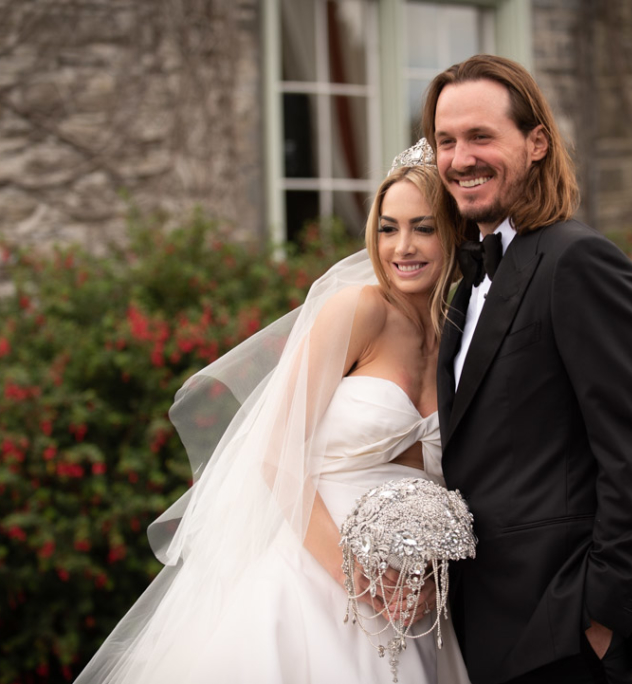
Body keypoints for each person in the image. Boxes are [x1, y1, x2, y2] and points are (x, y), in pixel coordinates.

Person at [73, 150, 471, 684]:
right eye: (387, 228)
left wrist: (426, 577)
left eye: (423, 228)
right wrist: (354, 576)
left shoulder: (461, 336)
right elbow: (277, 452)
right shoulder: (359, 309)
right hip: (319, 581)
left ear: (453, 232)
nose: (402, 247)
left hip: (415, 603)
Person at [421, 54, 632, 684]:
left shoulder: (580, 262)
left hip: (560, 632)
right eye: (445, 141)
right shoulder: (462, 282)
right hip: (475, 626)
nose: (459, 159)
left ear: (536, 142)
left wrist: (602, 615)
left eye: (481, 136)